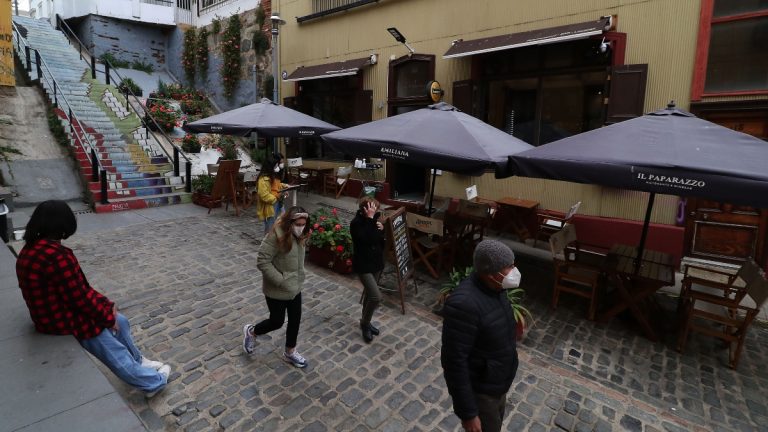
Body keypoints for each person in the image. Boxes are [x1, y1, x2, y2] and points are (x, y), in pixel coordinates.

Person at [15, 200, 170, 397]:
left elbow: (78, 290)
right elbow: (79, 298)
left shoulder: (31, 249)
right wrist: (106, 317)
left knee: (121, 321)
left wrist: (107, 306)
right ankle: (152, 383)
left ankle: (138, 361)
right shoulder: (56, 256)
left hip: (55, 311)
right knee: (111, 347)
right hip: (59, 319)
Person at [441, 239, 522, 432]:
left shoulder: (497, 288)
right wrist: (468, 413)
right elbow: (454, 362)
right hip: (482, 393)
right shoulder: (464, 304)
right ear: (490, 273)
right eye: (509, 267)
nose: (514, 271)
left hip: (497, 383)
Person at [243, 206, 310, 368]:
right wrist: (281, 280)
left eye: (303, 224)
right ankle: (252, 332)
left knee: (295, 320)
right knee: (276, 321)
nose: (301, 227)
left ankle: (290, 352)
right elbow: (262, 261)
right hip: (277, 289)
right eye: (298, 224)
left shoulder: (302, 234)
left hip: (295, 286)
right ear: (290, 222)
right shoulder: (275, 235)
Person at [350, 196, 385, 343]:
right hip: (363, 265)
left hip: (376, 263)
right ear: (365, 209)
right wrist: (371, 220)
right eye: (373, 208)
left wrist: (381, 230)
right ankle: (365, 323)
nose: (376, 211)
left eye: (376, 208)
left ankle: (366, 322)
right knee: (376, 297)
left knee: (369, 296)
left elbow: (378, 240)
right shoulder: (356, 223)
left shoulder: (374, 221)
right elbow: (367, 239)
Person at [256, 153, 288, 233]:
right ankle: (267, 240)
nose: (277, 167)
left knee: (279, 223)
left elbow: (276, 185)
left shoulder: (273, 175)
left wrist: (283, 188)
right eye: (276, 165)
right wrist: (275, 198)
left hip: (278, 202)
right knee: (270, 228)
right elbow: (263, 195)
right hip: (271, 205)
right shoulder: (263, 179)